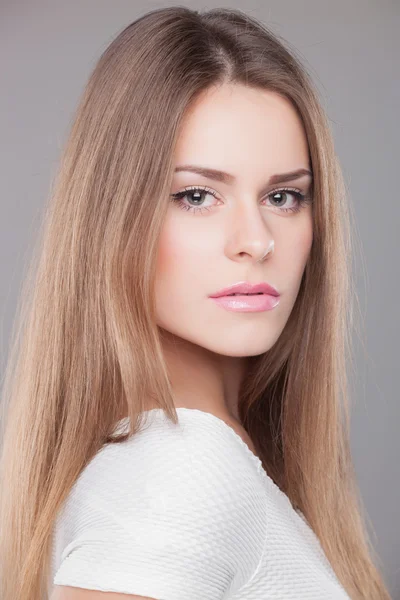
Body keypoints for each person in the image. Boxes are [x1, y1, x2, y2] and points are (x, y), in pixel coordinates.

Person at [0, 6, 391, 600]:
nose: (256, 241)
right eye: (197, 195)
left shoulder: (194, 459)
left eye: (284, 196)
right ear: (113, 219)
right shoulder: (180, 473)